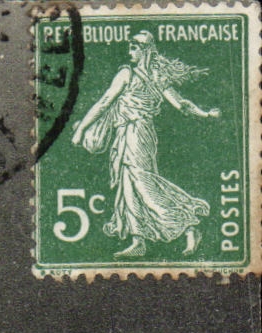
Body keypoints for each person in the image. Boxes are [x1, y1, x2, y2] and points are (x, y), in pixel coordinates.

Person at [70, 32, 220, 257]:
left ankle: (188, 226)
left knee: (143, 183)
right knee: (128, 185)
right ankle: (138, 240)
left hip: (137, 133)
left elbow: (104, 103)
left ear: (146, 50)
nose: (130, 51)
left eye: (134, 47)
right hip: (129, 133)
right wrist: (204, 113)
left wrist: (81, 129)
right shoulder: (153, 76)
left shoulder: (131, 74)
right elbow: (181, 104)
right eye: (130, 47)